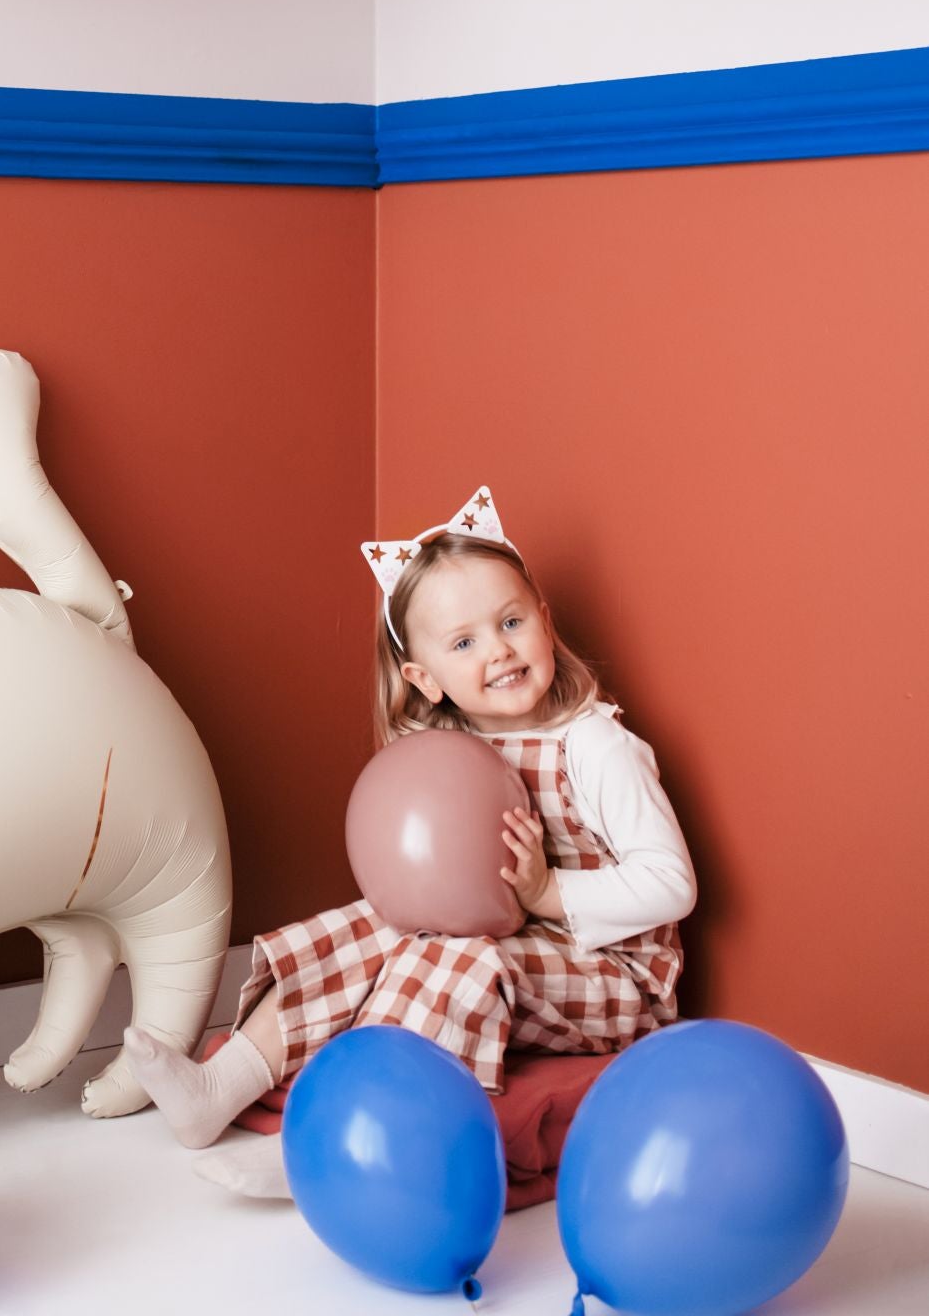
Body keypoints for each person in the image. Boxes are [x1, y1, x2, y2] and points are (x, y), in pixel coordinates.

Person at [124, 490, 696, 1195]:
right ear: (425, 679)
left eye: (512, 621)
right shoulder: (447, 752)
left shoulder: (594, 744)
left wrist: (549, 891)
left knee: (455, 952)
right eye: (464, 642)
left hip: (609, 976)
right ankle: (223, 1082)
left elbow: (674, 883)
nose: (499, 650)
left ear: (544, 622)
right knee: (370, 924)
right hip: (510, 939)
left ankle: (336, 1139)